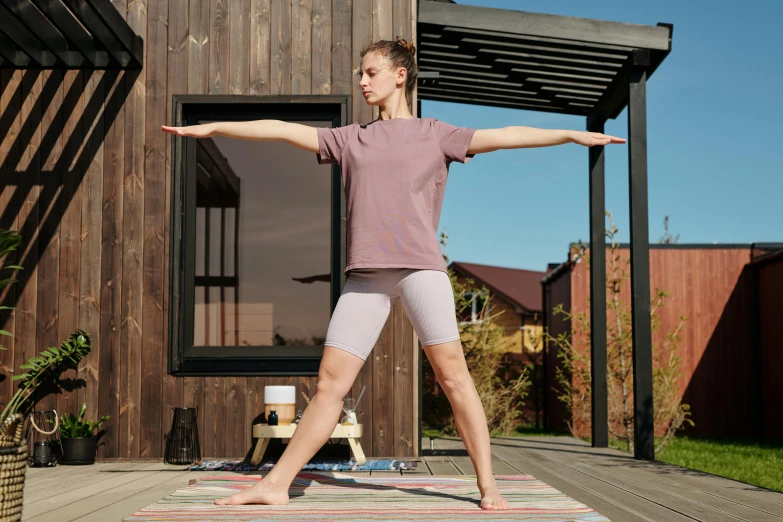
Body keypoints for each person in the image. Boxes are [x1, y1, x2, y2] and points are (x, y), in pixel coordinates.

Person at [162, 36, 625, 510]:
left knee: (454, 379)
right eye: (360, 73)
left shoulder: (436, 134)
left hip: (420, 271)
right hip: (366, 277)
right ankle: (276, 484)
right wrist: (215, 126)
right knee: (328, 387)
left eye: (371, 72)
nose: (362, 81)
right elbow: (282, 128)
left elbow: (503, 135)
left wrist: (570, 135)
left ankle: (488, 486)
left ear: (400, 75)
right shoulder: (349, 138)